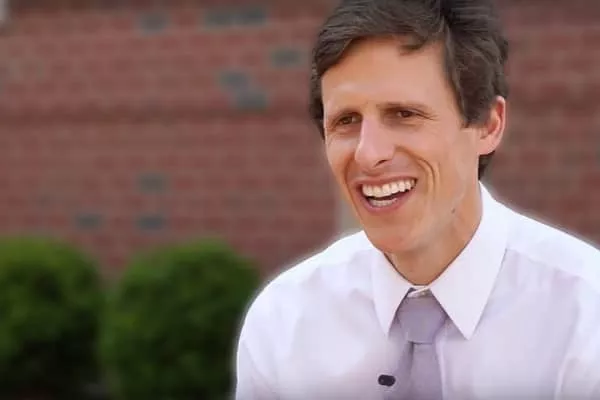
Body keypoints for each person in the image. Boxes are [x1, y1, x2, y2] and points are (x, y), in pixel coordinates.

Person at [235, 0, 600, 398]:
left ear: (487, 125)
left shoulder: (585, 317)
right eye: (346, 120)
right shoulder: (284, 324)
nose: (368, 154)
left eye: (404, 114)